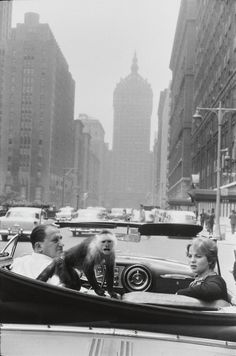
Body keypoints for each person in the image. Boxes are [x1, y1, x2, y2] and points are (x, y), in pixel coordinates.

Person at [177, 236, 228, 302]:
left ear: (210, 260)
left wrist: (180, 293)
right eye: (190, 256)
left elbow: (211, 290)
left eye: (198, 256)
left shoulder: (216, 280)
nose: (192, 260)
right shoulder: (199, 278)